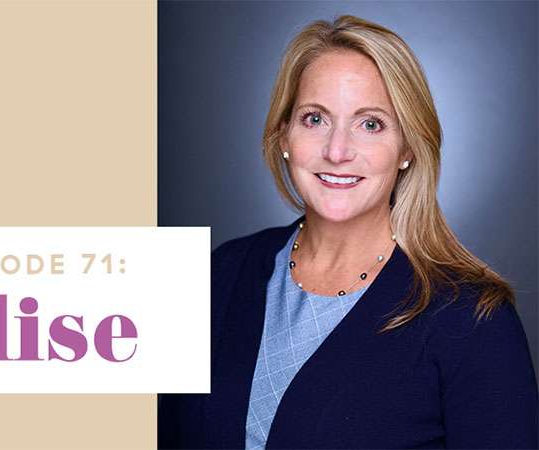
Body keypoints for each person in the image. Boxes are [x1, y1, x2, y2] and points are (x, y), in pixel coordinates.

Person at [157, 14, 538, 449]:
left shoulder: (471, 319)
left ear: (407, 148)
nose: (337, 151)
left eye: (370, 124)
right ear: (284, 135)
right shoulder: (218, 274)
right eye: (315, 119)